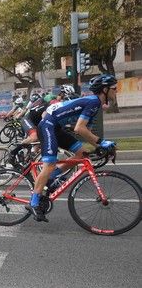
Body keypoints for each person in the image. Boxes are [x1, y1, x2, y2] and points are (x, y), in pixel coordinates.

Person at [26, 74, 118, 222]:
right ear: (105, 90)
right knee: (49, 163)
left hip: (56, 127)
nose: (116, 91)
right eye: (114, 88)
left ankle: (50, 178)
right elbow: (80, 129)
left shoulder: (95, 103)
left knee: (82, 154)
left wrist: (100, 146)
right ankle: (34, 202)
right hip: (48, 126)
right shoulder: (94, 102)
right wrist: (102, 142)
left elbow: (82, 131)